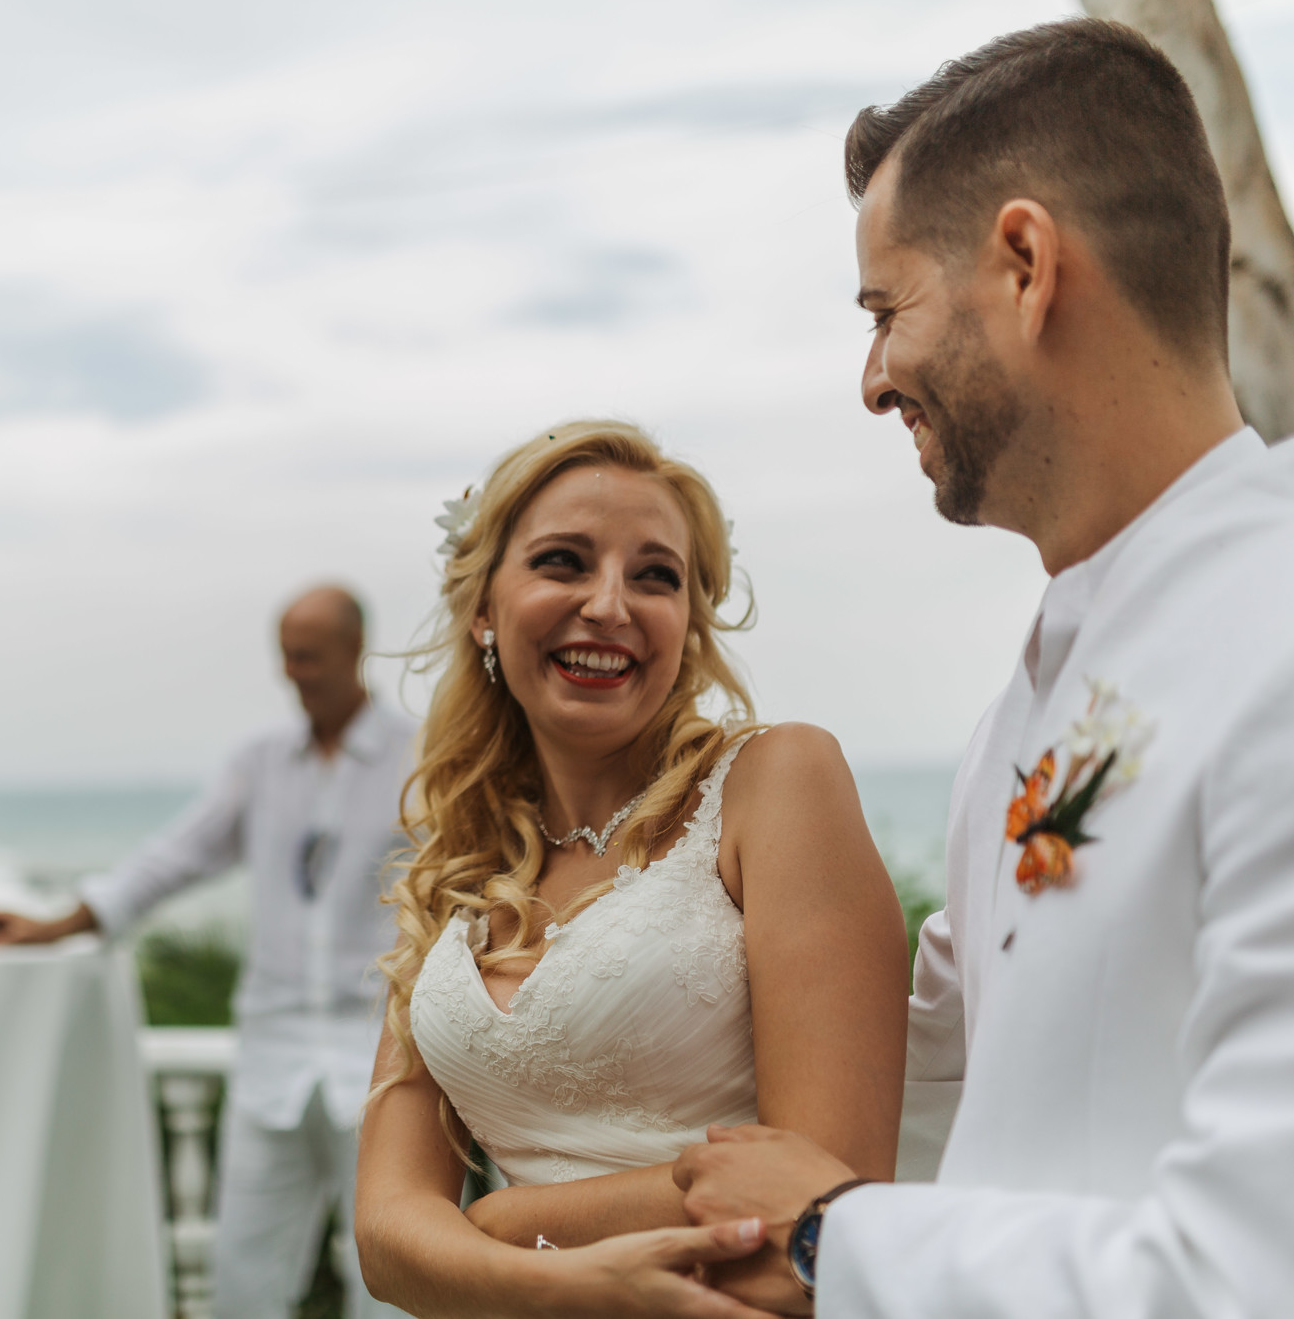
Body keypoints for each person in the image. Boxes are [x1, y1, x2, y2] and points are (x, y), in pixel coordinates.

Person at [665, 19, 1294, 1319]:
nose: (874, 382)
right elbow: (937, 1087)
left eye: (889, 311)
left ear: (1027, 265)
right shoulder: (1027, 709)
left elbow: (1280, 1278)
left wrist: (835, 1242)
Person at [352, 422, 909, 1316]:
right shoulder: (453, 868)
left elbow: (824, 1192)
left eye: (656, 575)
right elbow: (385, 1232)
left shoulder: (775, 784)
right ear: (484, 607)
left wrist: (498, 1221)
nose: (610, 603)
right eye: (565, 562)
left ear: (688, 622)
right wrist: (550, 1280)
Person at [0, 585, 417, 1319]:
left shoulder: (423, 754)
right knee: (241, 1273)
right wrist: (60, 923)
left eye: (308, 654)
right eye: (285, 654)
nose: (294, 670)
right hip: (270, 1050)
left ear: (354, 649)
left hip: (385, 1059)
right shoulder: (260, 761)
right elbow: (171, 857)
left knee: (393, 1280)